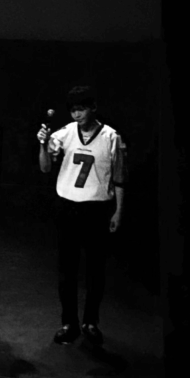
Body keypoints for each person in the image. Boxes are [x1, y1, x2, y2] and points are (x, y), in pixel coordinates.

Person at [38, 86, 126, 346]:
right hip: (68, 207)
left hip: (97, 209)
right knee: (67, 269)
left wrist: (118, 211)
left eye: (81, 109)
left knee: (95, 270)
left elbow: (120, 178)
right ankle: (69, 322)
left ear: (93, 108)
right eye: (73, 110)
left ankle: (90, 322)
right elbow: (45, 168)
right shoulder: (64, 133)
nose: (77, 114)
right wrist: (42, 144)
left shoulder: (111, 137)